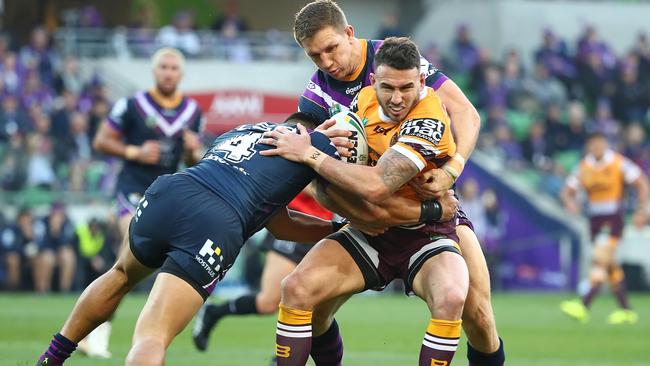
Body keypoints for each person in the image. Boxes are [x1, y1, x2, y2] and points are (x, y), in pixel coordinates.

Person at [35, 112, 445, 366]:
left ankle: (52, 357)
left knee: (121, 274)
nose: (341, 144)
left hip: (169, 192)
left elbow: (280, 223)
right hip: (214, 221)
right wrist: (423, 211)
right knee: (153, 335)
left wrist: (332, 231)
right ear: (315, 128)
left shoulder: (243, 130)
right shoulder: (312, 144)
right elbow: (365, 202)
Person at [293, 1, 504, 365]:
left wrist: (453, 168)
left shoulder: (394, 60)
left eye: (331, 49)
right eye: (315, 56)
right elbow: (303, 169)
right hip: (366, 216)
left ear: (349, 33)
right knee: (311, 309)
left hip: (428, 211)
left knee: (479, 317)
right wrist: (348, 207)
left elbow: (465, 111)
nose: (327, 62)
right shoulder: (317, 94)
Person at [262, 37, 468, 366]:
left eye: (407, 88)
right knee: (296, 289)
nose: (398, 99)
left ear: (421, 81)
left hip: (423, 233)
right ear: (373, 81)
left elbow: (375, 187)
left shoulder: (429, 118)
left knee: (456, 299)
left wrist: (310, 154)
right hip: (367, 231)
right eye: (388, 87)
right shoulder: (362, 102)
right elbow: (337, 184)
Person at [86, 46, 204, 358]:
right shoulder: (132, 105)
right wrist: (133, 152)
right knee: (130, 250)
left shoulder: (192, 111)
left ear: (181, 73)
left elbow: (193, 160)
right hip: (132, 189)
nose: (168, 72)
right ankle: (97, 332)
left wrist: (194, 150)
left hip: (163, 193)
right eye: (163, 66)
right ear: (154, 71)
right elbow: (101, 140)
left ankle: (141, 333)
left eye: (173, 68)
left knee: (134, 263)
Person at [560, 132, 648, 325]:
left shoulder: (618, 163)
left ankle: (584, 305)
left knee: (599, 259)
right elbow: (566, 192)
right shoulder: (584, 166)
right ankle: (626, 310)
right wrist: (570, 203)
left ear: (606, 144)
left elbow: (641, 183)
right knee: (609, 265)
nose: (596, 148)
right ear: (588, 146)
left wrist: (642, 210)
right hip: (595, 221)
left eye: (600, 144)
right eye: (593, 145)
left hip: (613, 219)